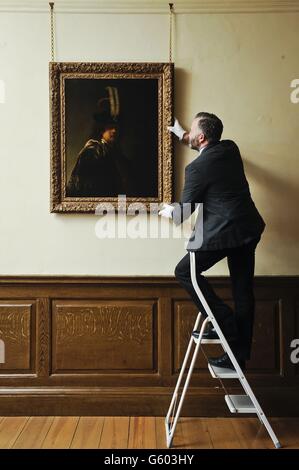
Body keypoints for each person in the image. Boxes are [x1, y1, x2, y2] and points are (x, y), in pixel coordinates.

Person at [160, 113, 266, 370]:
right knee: (243, 291)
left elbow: (184, 212)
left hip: (227, 232)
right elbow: (201, 142)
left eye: (193, 131)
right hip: (249, 229)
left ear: (202, 137)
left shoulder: (196, 169)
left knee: (184, 272)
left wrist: (167, 211)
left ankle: (223, 322)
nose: (192, 135)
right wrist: (183, 135)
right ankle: (238, 356)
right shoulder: (230, 148)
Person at [67, 99, 132, 198]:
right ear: (101, 129)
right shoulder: (92, 152)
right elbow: (84, 186)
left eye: (116, 127)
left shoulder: (120, 156)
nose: (114, 131)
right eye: (110, 127)